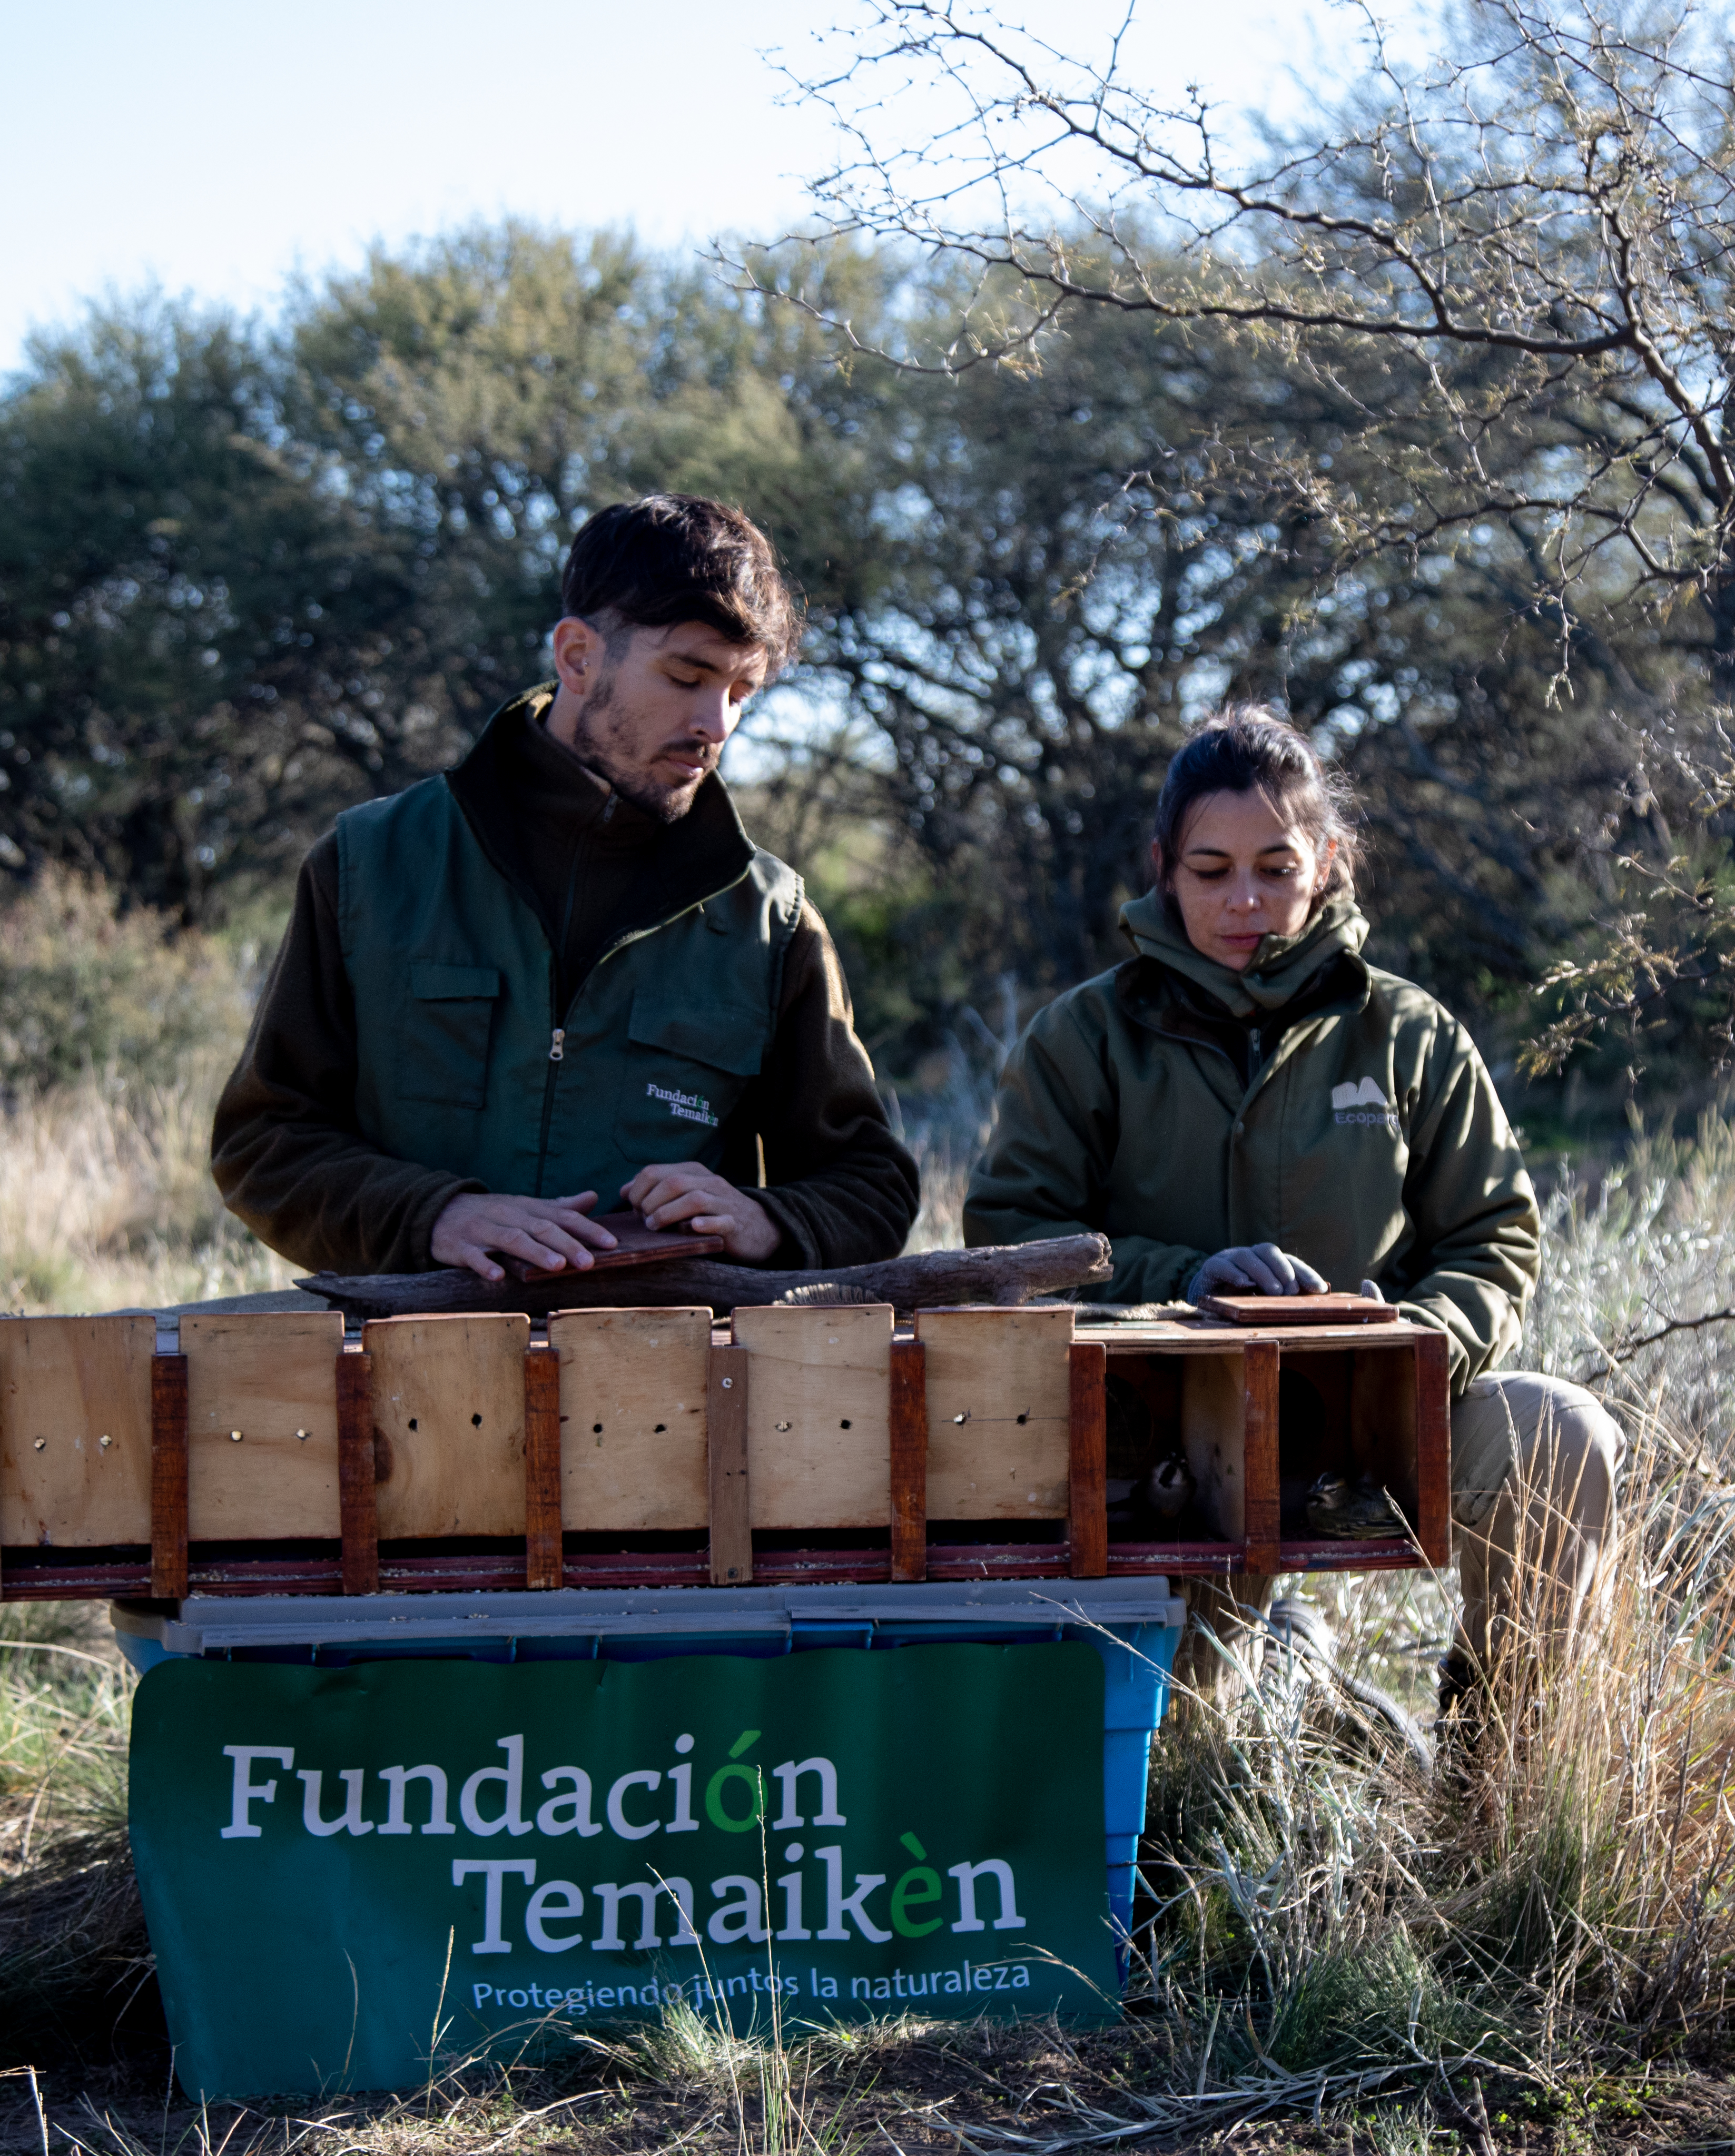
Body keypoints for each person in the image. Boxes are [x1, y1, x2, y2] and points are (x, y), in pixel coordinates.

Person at [964, 706, 1621, 1723]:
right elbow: (1009, 1238)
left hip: (1373, 1433)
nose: (1245, 901)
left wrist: (1410, 1347)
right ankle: (1283, 1674)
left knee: (1562, 1432)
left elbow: (1495, 1235)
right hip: (1154, 1441)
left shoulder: (1407, 1033)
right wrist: (1183, 1283)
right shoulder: (1083, 1037)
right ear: (1164, 868)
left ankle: (1498, 1786)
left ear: (1326, 859)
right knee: (1201, 1753)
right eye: (1212, 869)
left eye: (1276, 867)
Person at [213, 496, 919, 1278]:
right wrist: (430, 1216)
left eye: (741, 693)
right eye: (687, 676)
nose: (716, 724)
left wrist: (766, 1220)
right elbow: (263, 1143)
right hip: (404, 1373)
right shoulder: (367, 865)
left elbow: (872, 1188)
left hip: (671, 1384)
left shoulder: (770, 918)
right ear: (578, 657)